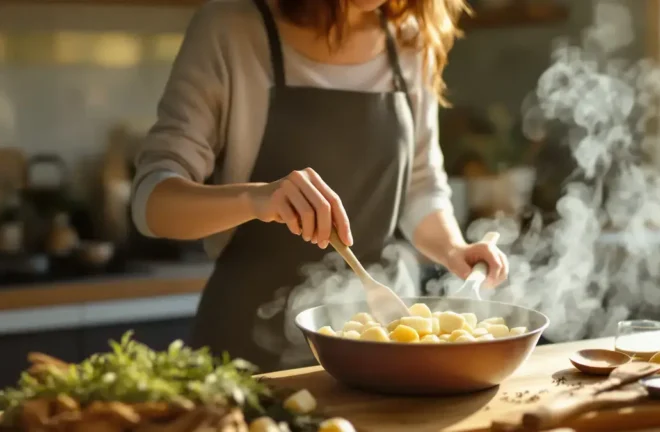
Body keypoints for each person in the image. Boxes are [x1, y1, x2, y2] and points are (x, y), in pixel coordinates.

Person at [131, 0, 510, 372]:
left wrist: (453, 248)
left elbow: (420, 183)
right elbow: (152, 203)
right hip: (246, 352)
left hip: (381, 352)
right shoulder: (231, 28)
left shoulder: (411, 40)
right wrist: (256, 197)